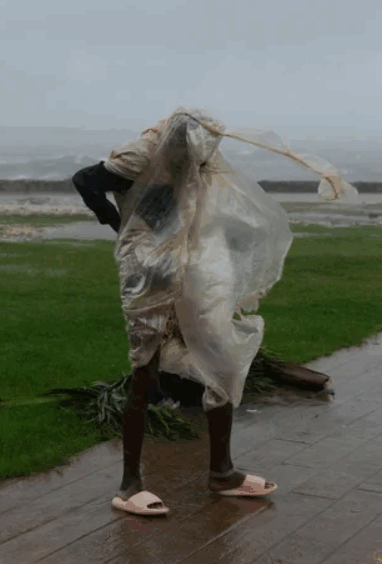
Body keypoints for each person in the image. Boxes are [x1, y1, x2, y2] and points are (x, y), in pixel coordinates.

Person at [73, 109, 279, 517]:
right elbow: (85, 180)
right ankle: (130, 483)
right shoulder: (141, 154)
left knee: (220, 360)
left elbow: (215, 202)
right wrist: (121, 227)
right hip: (147, 267)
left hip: (191, 260)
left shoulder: (205, 153)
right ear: (177, 142)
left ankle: (222, 472)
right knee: (144, 368)